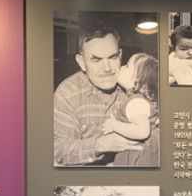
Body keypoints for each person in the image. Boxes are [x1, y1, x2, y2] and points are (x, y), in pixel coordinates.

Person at [53, 21, 142, 166]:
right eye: (96, 60)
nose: (107, 68)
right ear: (81, 62)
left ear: (120, 56)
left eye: (112, 57)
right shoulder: (67, 94)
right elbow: (59, 149)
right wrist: (100, 145)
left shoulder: (136, 85)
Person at [103, 53, 159, 167]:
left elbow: (142, 132)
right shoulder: (142, 101)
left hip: (137, 159)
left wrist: (114, 125)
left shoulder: (136, 102)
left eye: (128, 65)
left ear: (137, 80)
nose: (122, 67)